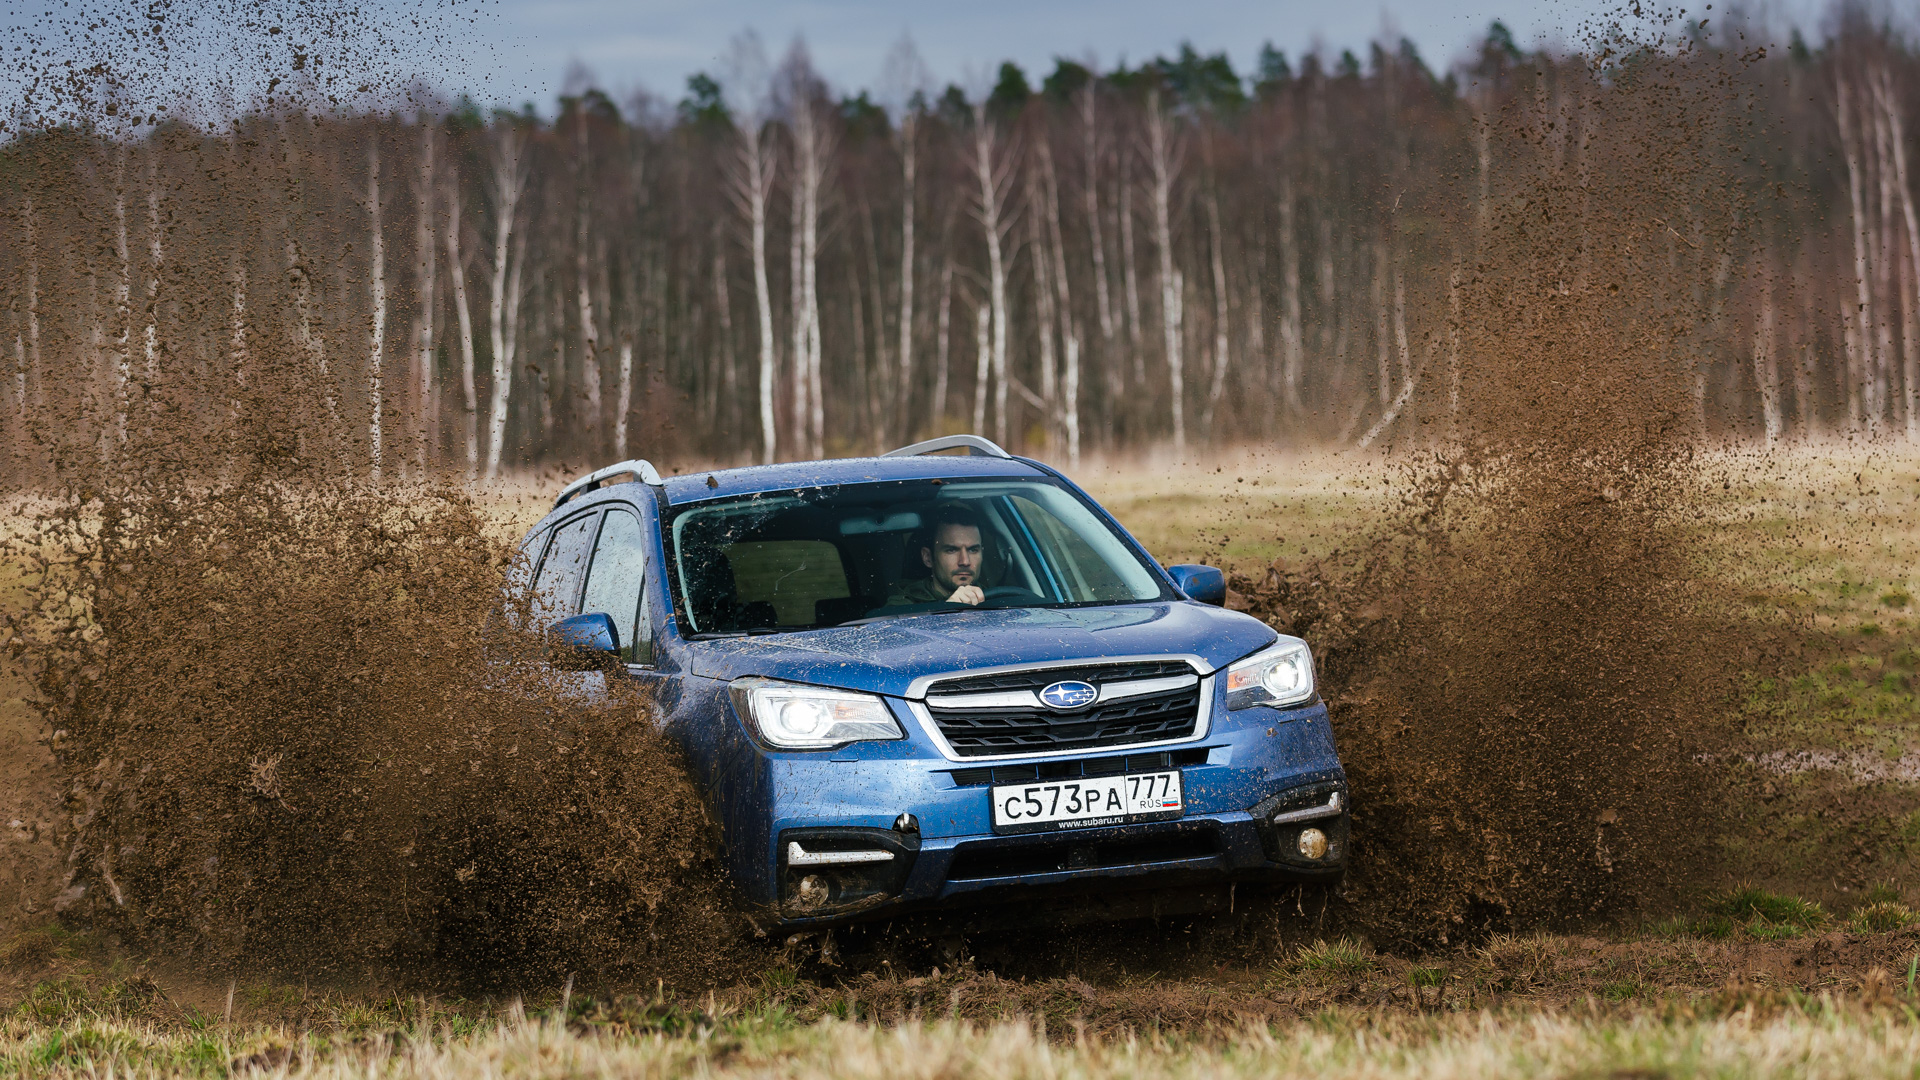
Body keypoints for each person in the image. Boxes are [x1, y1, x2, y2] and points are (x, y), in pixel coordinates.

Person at [888, 506, 989, 605]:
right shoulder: (902, 608)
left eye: (973, 550)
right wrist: (948, 612)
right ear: (928, 557)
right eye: (951, 550)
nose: (965, 561)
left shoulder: (997, 598)